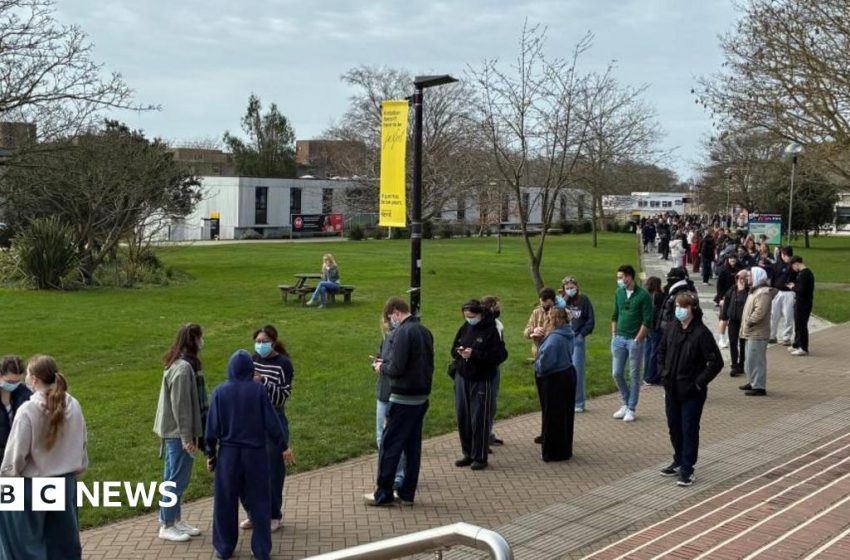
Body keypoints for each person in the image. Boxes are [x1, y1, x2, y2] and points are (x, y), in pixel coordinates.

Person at [205, 350, 292, 560]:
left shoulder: (220, 392)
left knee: (225, 502)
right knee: (260, 501)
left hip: (229, 454)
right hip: (255, 454)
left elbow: (211, 428)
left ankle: (224, 547)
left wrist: (210, 453)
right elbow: (272, 421)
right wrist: (283, 446)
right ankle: (261, 549)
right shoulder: (258, 391)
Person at [0, 355, 88, 560]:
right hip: (64, 483)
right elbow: (81, 441)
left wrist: (6, 480)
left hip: (33, 485)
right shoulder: (73, 404)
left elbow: (16, 455)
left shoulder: (28, 410)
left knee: (23, 546)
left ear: (34, 380)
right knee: (63, 546)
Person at [365, 297, 434, 506]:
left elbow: (397, 368)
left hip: (402, 397)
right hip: (420, 396)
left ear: (396, 313)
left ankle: (384, 493)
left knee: (390, 445)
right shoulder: (424, 331)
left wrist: (381, 367)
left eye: (390, 317)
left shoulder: (403, 333)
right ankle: (407, 492)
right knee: (413, 446)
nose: (390, 321)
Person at [657, 292, 723, 487]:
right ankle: (678, 459)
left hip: (692, 391)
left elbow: (715, 362)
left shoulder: (701, 334)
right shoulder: (671, 328)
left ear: (692, 309)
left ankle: (687, 467)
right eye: (677, 306)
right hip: (672, 388)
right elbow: (661, 351)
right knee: (674, 426)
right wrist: (663, 373)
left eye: (683, 307)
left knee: (689, 428)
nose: (679, 310)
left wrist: (698, 382)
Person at [153, 323, 207, 542]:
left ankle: (175, 519)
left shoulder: (181, 363)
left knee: (173, 478)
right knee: (177, 480)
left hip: (173, 432)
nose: (203, 341)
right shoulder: (184, 369)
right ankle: (167, 524)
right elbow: (181, 406)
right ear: (194, 339)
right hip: (178, 434)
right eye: (201, 337)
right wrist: (187, 438)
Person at [242, 325, 294, 533]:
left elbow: (282, 396)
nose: (261, 345)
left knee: (273, 470)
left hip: (274, 417)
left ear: (273, 341)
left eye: (264, 341)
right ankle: (254, 513)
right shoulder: (253, 360)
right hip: (252, 419)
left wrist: (263, 382)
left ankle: (274, 514)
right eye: (258, 341)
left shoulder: (284, 364)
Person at [449, 300, 508, 471]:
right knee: (463, 416)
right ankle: (467, 452)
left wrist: (475, 353)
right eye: (466, 316)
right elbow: (454, 347)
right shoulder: (465, 328)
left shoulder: (491, 330)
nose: (469, 319)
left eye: (472, 316)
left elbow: (499, 355)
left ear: (480, 314)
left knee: (479, 417)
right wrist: (460, 352)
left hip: (482, 378)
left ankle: (480, 456)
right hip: (462, 376)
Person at [611, 264, 654, 422]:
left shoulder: (643, 295)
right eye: (618, 278)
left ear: (630, 277)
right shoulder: (619, 292)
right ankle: (626, 402)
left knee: (634, 375)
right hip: (619, 338)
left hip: (635, 340)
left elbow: (647, 320)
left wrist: (638, 339)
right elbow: (615, 314)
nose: (619, 280)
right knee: (616, 373)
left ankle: (631, 407)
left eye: (621, 277)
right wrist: (614, 334)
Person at [534, 307, 577, 462]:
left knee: (552, 416)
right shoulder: (568, 333)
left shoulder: (554, 339)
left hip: (554, 379)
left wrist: (537, 364)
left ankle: (552, 452)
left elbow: (545, 363)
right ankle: (564, 448)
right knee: (565, 415)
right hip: (567, 373)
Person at [373, 315, 406, 490]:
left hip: (394, 394)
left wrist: (382, 366)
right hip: (383, 392)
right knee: (381, 436)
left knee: (392, 436)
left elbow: (396, 367)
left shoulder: (400, 340)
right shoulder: (385, 339)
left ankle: (398, 475)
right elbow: (380, 357)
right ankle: (388, 472)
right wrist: (376, 363)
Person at [739, 267, 777, 396]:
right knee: (750, 360)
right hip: (751, 332)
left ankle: (759, 386)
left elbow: (760, 312)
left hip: (758, 333)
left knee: (757, 360)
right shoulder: (755, 291)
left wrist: (749, 322)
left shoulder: (763, 293)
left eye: (750, 276)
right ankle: (752, 382)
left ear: (757, 276)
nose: (748, 278)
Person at [561, 276, 595, 412]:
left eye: (572, 287)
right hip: (564, 339)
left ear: (577, 286)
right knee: (563, 370)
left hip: (577, 339)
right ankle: (566, 400)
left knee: (577, 371)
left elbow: (590, 320)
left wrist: (581, 334)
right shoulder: (562, 302)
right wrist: (564, 300)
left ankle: (579, 402)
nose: (570, 290)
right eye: (567, 288)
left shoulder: (584, 300)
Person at [481, 295, 505, 445]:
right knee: (484, 402)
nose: (498, 309)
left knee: (492, 402)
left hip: (494, 366)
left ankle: (488, 432)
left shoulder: (498, 325)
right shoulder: (484, 326)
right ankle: (482, 436)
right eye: (496, 306)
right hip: (485, 369)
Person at [719, 269, 750, 376]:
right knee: (732, 342)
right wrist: (724, 317)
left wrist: (742, 291)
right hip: (733, 320)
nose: (740, 280)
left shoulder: (748, 291)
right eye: (738, 278)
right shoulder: (732, 289)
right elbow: (727, 302)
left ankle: (741, 364)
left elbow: (746, 302)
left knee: (742, 343)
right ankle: (734, 365)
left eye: (743, 278)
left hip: (743, 321)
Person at [0, 356, 31, 459]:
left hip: (17, 453)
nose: (13, 385)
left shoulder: (25, 394)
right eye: (9, 382)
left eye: (17, 381)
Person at [769, 246, 797, 345]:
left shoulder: (793, 266)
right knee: (774, 315)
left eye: (790, 256)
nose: (788, 258)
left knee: (788, 315)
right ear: (782, 255)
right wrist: (771, 291)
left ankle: (786, 337)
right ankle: (772, 335)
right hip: (777, 291)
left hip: (789, 293)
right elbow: (772, 279)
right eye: (786, 256)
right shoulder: (776, 265)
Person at [788, 256, 815, 356]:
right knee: (798, 324)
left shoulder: (804, 275)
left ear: (796, 264)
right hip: (801, 302)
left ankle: (803, 347)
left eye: (792, 266)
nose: (793, 269)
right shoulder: (803, 273)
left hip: (803, 303)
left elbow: (802, 290)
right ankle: (797, 344)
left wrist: (793, 287)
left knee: (802, 325)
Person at [643, 277, 665, 386]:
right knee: (654, 351)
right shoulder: (658, 296)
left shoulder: (646, 295)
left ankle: (646, 375)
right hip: (656, 327)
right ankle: (651, 376)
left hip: (648, 326)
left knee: (648, 350)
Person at [523, 288, 557, 358]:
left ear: (553, 301)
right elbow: (525, 332)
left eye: (548, 305)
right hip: (538, 353)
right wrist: (533, 331)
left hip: (554, 352)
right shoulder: (536, 312)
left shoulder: (560, 313)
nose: (544, 306)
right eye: (542, 302)